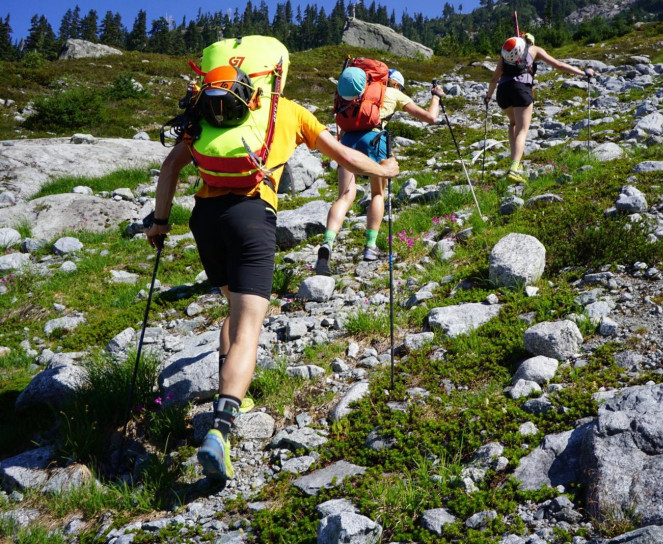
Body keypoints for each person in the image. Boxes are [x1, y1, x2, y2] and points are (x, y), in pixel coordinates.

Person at [145, 62, 398, 483]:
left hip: (205, 218)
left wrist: (159, 222)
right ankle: (221, 431)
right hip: (251, 216)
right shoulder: (288, 112)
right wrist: (384, 170)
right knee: (249, 326)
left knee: (232, 304)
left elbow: (169, 168)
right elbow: (345, 156)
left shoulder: (202, 116)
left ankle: (233, 395)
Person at [315, 68, 444, 275]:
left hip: (347, 142)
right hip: (375, 143)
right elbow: (430, 118)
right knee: (377, 193)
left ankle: (327, 243)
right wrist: (436, 97)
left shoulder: (363, 91)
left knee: (345, 195)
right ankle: (370, 247)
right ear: (397, 84)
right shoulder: (395, 94)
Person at [485, 33, 595, 183]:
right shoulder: (535, 49)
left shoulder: (507, 53)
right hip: (521, 89)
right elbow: (559, 65)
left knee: (513, 124)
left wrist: (488, 96)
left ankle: (515, 162)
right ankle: (514, 169)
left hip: (503, 92)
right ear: (531, 42)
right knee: (522, 130)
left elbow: (494, 77)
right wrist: (583, 73)